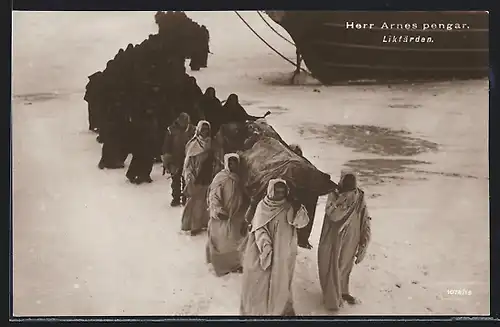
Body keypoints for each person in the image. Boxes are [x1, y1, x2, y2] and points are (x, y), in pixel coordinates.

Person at [240, 179, 309, 316]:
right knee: (261, 281)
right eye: (277, 191)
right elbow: (259, 229)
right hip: (263, 249)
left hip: (284, 250)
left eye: (282, 191)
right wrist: (266, 246)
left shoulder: (289, 206)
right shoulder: (262, 206)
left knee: (282, 279)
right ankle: (259, 311)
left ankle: (281, 308)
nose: (280, 193)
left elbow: (302, 223)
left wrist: (297, 208)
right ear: (271, 190)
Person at [317, 170, 372, 311]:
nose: (349, 183)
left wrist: (364, 240)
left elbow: (365, 218)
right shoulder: (334, 194)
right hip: (334, 238)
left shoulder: (359, 197)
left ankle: (343, 291)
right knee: (332, 265)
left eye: (351, 181)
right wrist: (343, 201)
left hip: (351, 237)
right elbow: (332, 214)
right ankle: (332, 299)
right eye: (346, 180)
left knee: (345, 266)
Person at [206, 153, 248, 276]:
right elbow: (213, 195)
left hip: (235, 214)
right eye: (230, 162)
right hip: (222, 215)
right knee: (221, 240)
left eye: (234, 162)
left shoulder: (239, 178)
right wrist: (218, 210)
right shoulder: (221, 178)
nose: (232, 165)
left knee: (234, 240)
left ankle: (234, 264)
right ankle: (220, 266)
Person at [181, 120, 215, 235]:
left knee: (205, 202)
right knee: (194, 202)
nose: (205, 132)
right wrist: (189, 177)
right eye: (203, 129)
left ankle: (203, 223)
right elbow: (188, 164)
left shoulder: (211, 142)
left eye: (207, 129)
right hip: (196, 177)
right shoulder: (193, 144)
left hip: (207, 176)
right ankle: (192, 225)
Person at [289, 144, 320, 250]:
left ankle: (302, 239)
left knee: (306, 217)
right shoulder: (287, 163)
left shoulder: (306, 165)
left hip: (305, 195)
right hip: (294, 194)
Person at [162, 112, 196, 206]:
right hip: (175, 159)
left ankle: (186, 197)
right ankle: (176, 197)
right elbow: (167, 146)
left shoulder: (193, 130)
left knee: (187, 179)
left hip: (188, 158)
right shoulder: (171, 130)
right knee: (175, 179)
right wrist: (167, 159)